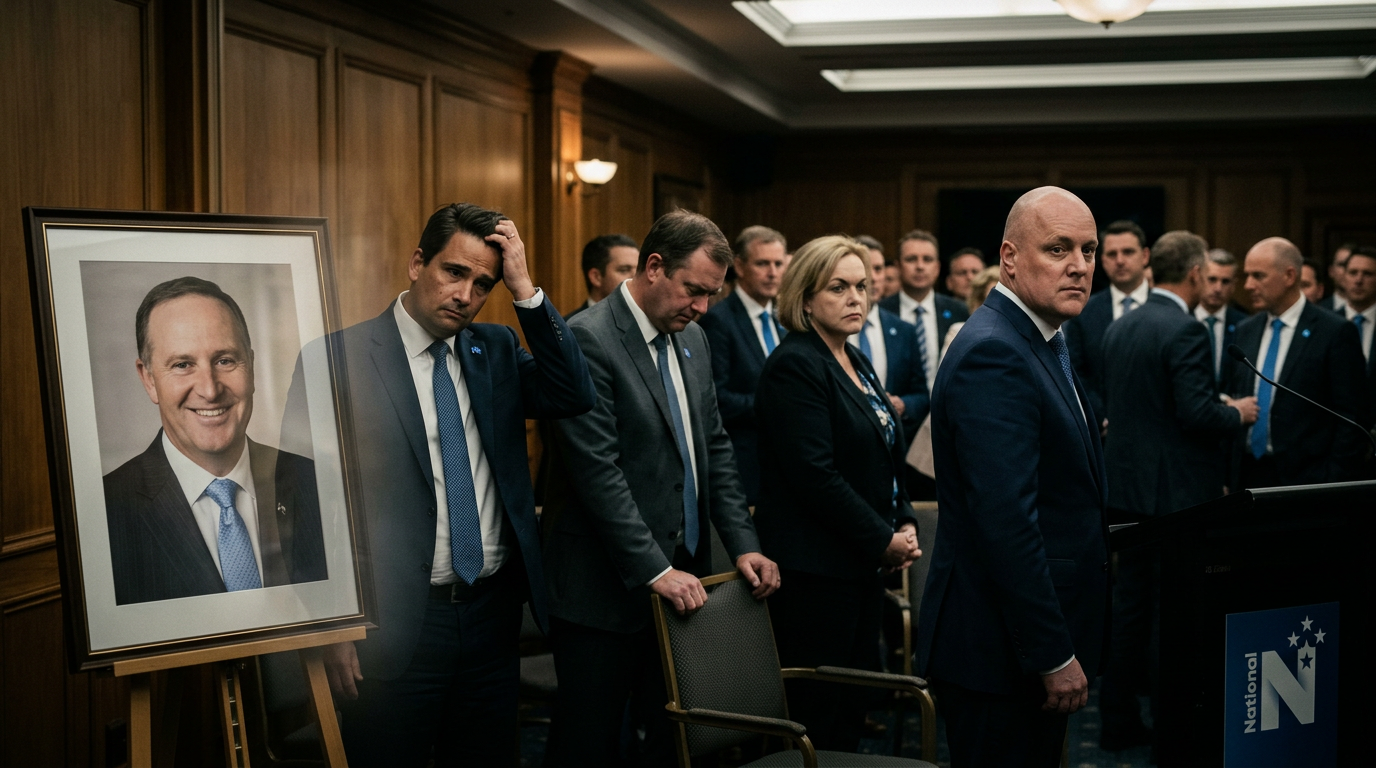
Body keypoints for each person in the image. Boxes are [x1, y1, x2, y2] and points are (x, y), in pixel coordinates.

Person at [315, 204, 596, 767]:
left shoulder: (495, 349)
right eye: (454, 272)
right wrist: (333, 625)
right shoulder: (340, 358)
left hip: (491, 617)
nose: (466, 295)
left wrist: (524, 289)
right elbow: (308, 504)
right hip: (392, 626)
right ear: (417, 263)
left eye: (483, 284)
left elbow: (572, 392)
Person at [542, 209, 781, 767]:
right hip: (602, 589)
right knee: (588, 744)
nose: (702, 307)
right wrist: (655, 569)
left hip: (684, 580)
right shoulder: (588, 338)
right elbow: (598, 473)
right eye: (693, 290)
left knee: (672, 741)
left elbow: (713, 448)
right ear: (654, 267)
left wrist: (743, 543)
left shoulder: (693, 337)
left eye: (712, 295)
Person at [915, 187, 1109, 768]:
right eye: (1058, 249)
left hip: (1012, 645)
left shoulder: (1039, 338)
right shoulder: (995, 352)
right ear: (1009, 258)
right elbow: (1007, 525)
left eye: (1089, 250)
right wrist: (1052, 654)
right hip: (999, 653)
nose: (1080, 266)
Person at [755, 235, 920, 752]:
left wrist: (903, 517)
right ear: (805, 299)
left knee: (853, 706)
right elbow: (815, 476)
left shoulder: (853, 357)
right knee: (818, 716)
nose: (856, 299)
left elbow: (884, 451)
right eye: (838, 288)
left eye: (862, 287)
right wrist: (882, 538)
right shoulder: (795, 364)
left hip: (857, 564)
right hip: (816, 573)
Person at [1096, 231, 1258, 752]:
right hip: (1174, 500)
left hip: (1126, 491)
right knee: (1173, 616)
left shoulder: (1120, 325)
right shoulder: (1186, 328)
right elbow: (1194, 414)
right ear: (1193, 273)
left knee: (1129, 610)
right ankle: (1174, 732)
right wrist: (1236, 413)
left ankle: (1118, 721)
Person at [104, 277, 327, 605]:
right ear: (148, 379)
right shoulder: (105, 514)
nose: (209, 390)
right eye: (183, 365)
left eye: (225, 360)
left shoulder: (320, 484)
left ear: (251, 366)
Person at [1225, 237, 1368, 489]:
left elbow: (1351, 416)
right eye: (1247, 276)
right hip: (1247, 475)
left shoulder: (1334, 331)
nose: (1248, 285)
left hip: (1307, 481)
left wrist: (1332, 481)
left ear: (1290, 276)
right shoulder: (1246, 329)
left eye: (1258, 276)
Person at [699, 225, 789, 505]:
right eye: (763, 263)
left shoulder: (784, 319)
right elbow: (716, 398)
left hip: (784, 463)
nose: (772, 272)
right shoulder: (719, 320)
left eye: (778, 264)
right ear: (739, 266)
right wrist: (774, 405)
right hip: (744, 464)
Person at [1064, 219, 1151, 425]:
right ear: (1102, 260)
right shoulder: (1083, 311)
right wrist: (1100, 415)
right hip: (1102, 429)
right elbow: (1075, 371)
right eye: (1112, 254)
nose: (1120, 261)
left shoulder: (1167, 309)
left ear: (1145, 256)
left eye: (1128, 252)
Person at [852, 234, 930, 445]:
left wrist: (903, 404)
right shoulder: (833, 328)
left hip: (891, 444)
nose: (873, 277)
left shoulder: (904, 330)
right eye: (865, 268)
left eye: (878, 269)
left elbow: (922, 394)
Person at [880, 230, 970, 391]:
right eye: (911, 259)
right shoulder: (882, 312)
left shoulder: (959, 311)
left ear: (937, 267)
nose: (920, 266)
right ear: (898, 267)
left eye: (927, 259)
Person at [1194, 248, 1249, 385]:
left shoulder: (1244, 324)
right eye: (1212, 279)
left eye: (1225, 282)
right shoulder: (1182, 318)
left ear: (1234, 285)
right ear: (1199, 278)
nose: (1218, 288)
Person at [1340, 247, 1376, 438]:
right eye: (1353, 272)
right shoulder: (1323, 325)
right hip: (1337, 435)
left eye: (1367, 274)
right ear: (1343, 277)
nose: (1359, 280)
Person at [568, 234, 638, 318]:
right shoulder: (569, 325)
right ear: (596, 277)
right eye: (624, 270)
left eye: (639, 270)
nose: (636, 277)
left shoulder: (647, 321)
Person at [1321, 242, 1357, 313]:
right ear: (1331, 271)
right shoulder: (1319, 310)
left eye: (1353, 266)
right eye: (1342, 265)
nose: (1347, 270)